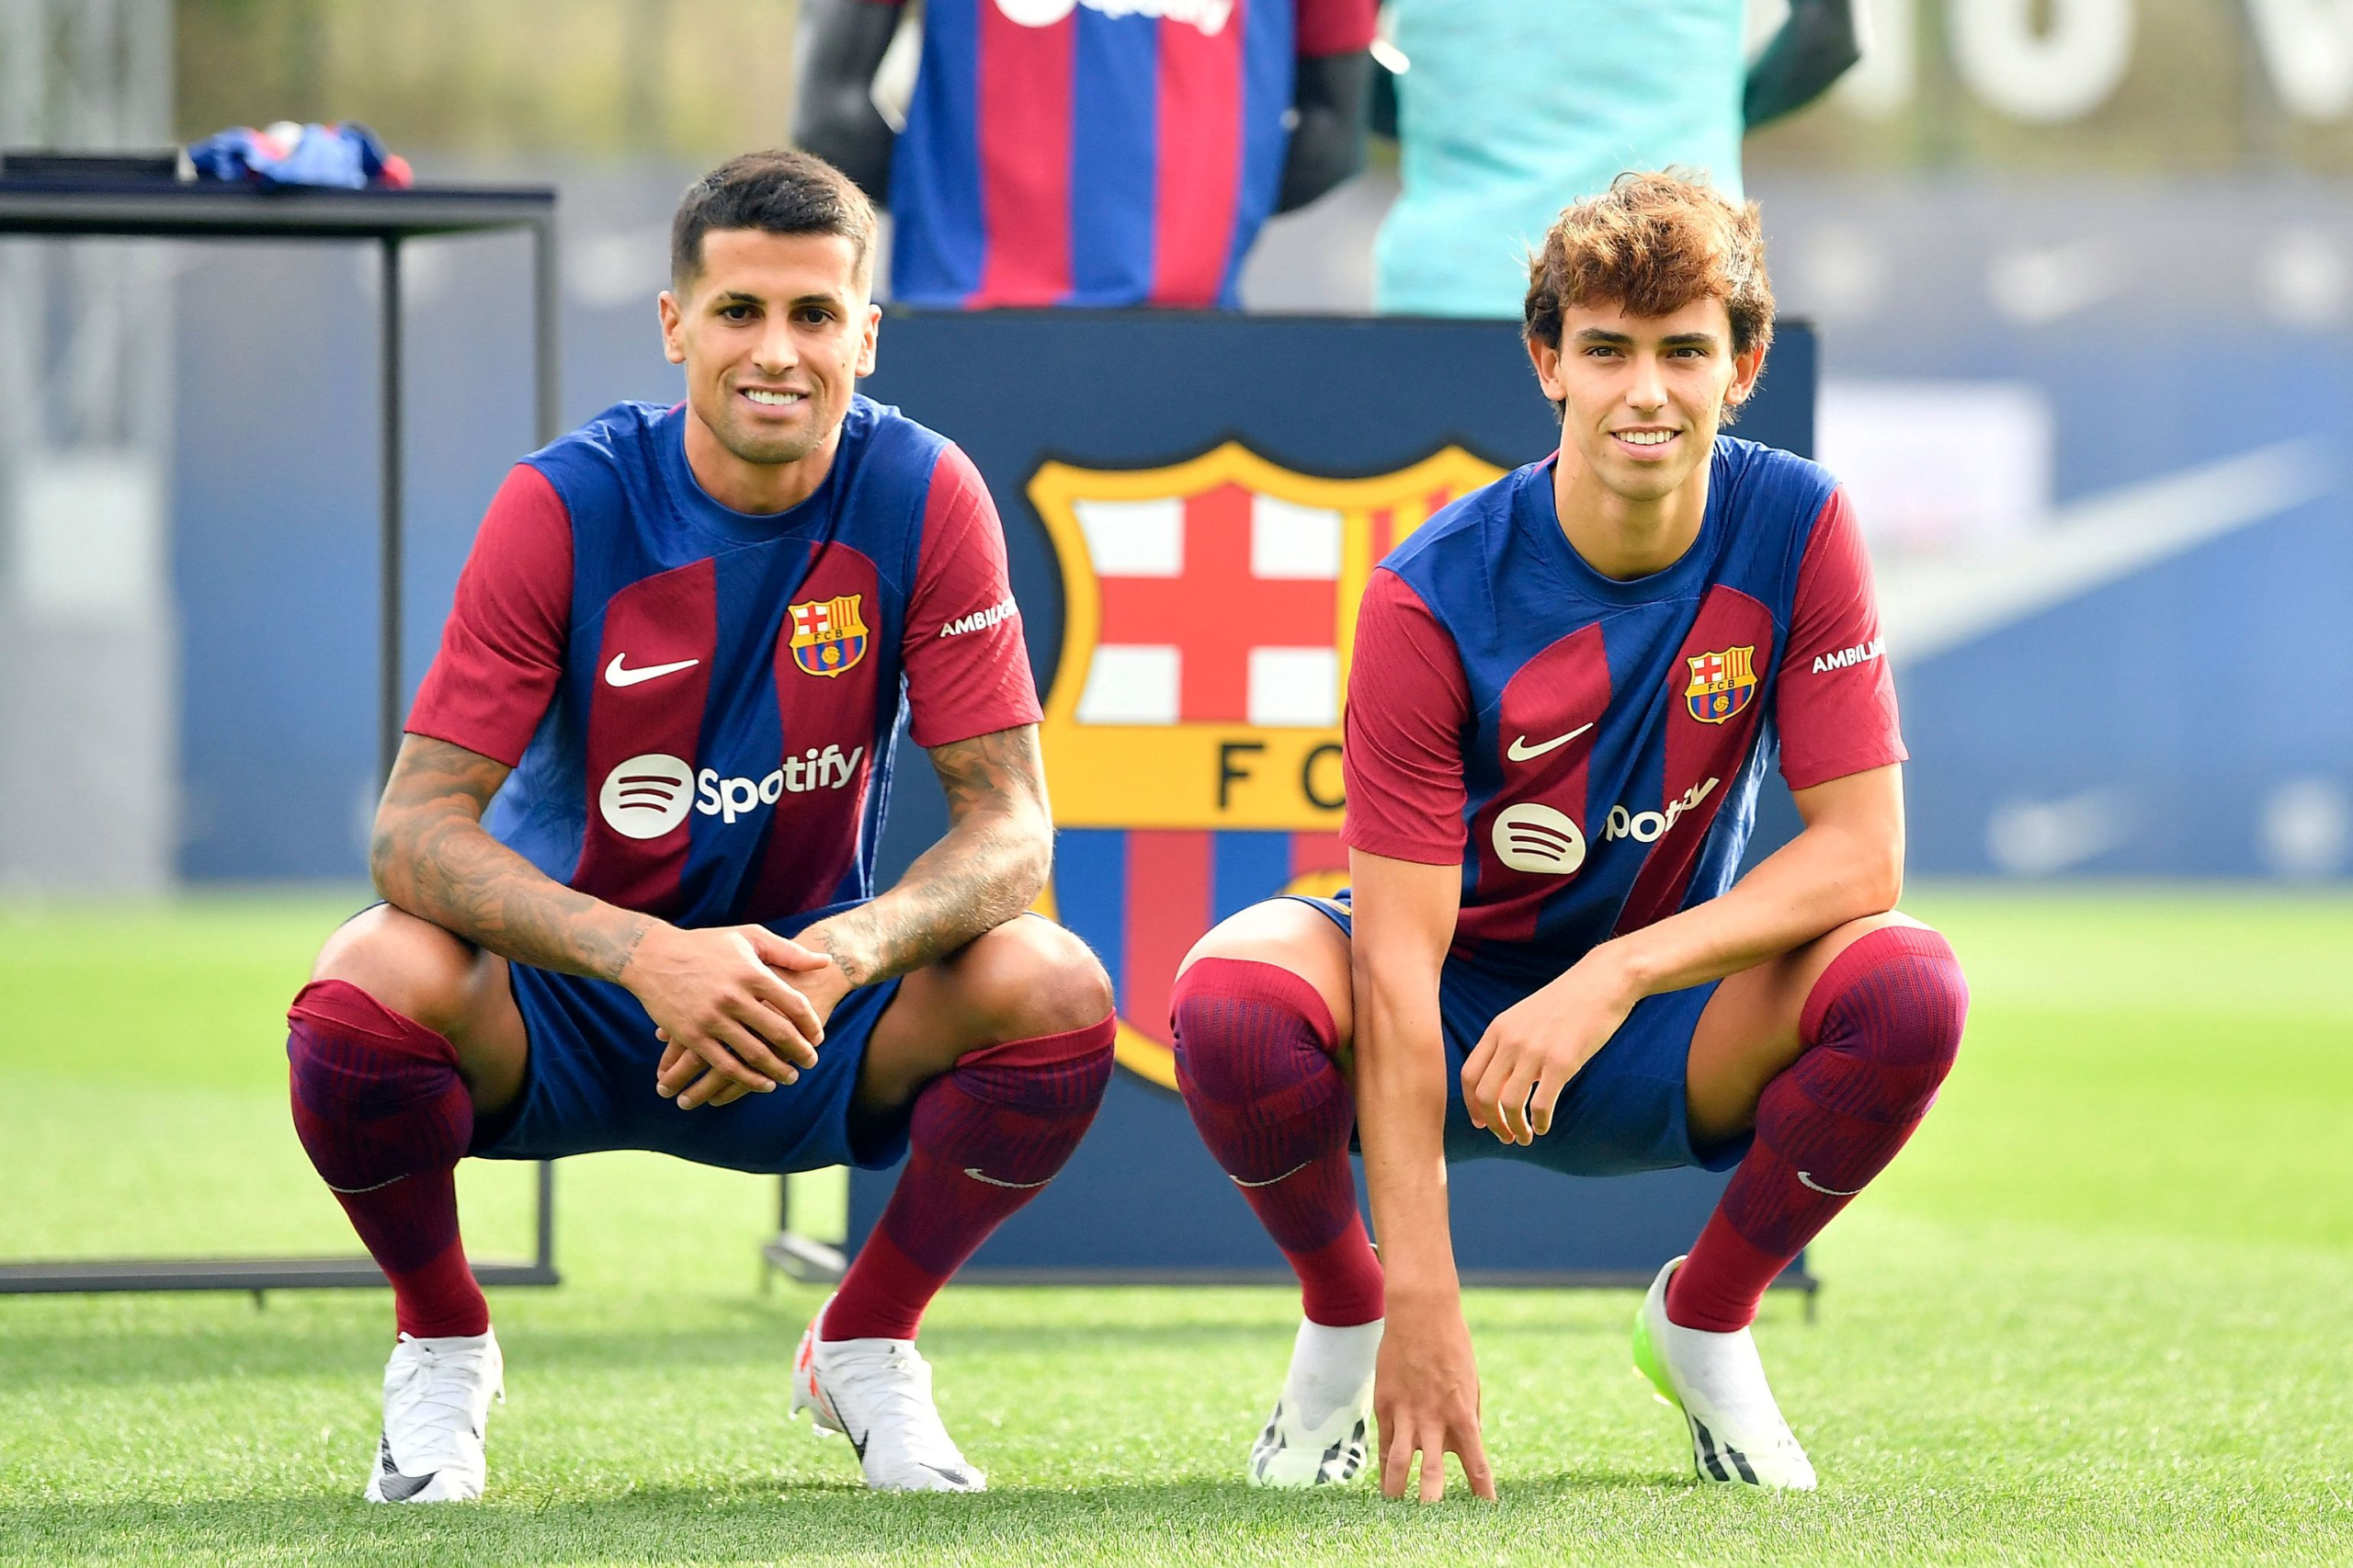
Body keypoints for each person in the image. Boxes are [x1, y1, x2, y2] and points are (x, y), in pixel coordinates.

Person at [284, 149, 1116, 1503]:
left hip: (801, 1006)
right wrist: (644, 955)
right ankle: (440, 1342)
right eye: (739, 311)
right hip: (566, 999)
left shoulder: (925, 489)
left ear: (864, 334)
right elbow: (414, 832)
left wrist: (840, 955)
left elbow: (1014, 829)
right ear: (676, 325)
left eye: (813, 314)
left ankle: (866, 1339)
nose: (776, 351)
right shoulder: (564, 500)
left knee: (1053, 986)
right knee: (366, 977)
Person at [1170, 172, 1967, 1495]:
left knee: (1910, 984)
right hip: (1451, 1003)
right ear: (1548, 363)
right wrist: (1419, 1294)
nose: (1645, 391)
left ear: (1743, 365)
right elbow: (1398, 963)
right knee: (1231, 1000)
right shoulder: (1430, 593)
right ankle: (1342, 1311)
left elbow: (1861, 854)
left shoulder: (1800, 521)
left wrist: (1615, 972)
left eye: (1683, 351)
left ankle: (1704, 1320)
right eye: (1606, 350)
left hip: (1659, 1009)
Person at [792, 0, 1374, 308]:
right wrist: (1189, 222)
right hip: (1188, 341)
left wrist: (961, 212)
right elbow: (1333, 137)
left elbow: (831, 118)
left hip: (963, 323)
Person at [1375, 0, 1862, 318]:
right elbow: (1830, 37)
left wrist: (1445, 119)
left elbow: (1342, 58)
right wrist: (1717, 115)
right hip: (1681, 278)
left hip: (1453, 279)